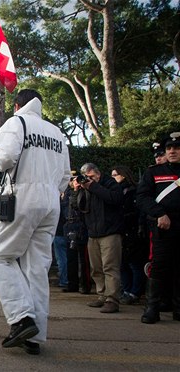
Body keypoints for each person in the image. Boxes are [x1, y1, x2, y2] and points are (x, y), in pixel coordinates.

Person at [0, 89, 71, 355]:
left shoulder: (16, 122)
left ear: (16, 105)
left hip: (22, 196)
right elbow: (66, 176)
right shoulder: (56, 133)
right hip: (51, 202)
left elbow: (6, 158)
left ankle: (22, 318)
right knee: (37, 268)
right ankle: (36, 336)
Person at [137, 132, 180, 324]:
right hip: (163, 227)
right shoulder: (154, 172)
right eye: (169, 148)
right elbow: (143, 197)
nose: (172, 151)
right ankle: (152, 308)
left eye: (177, 148)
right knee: (158, 267)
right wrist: (159, 213)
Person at [73, 163, 124, 314]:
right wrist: (77, 191)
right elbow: (77, 208)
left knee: (110, 267)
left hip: (110, 232)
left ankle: (112, 299)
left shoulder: (109, 184)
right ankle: (102, 295)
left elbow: (114, 198)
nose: (88, 180)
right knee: (96, 268)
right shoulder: (86, 189)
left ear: (98, 174)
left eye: (91, 177)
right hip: (93, 233)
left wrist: (93, 187)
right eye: (86, 178)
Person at [111, 165, 144, 305]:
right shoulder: (117, 191)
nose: (112, 178)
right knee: (122, 263)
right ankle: (126, 290)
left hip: (132, 231)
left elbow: (138, 211)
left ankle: (135, 292)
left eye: (114, 175)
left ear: (123, 175)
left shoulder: (133, 191)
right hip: (121, 230)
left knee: (134, 263)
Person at [63, 177, 91, 294]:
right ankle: (72, 284)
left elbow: (78, 206)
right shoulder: (68, 193)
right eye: (73, 180)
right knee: (71, 258)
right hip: (69, 225)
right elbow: (64, 207)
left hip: (81, 226)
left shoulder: (84, 192)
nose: (75, 182)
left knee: (83, 259)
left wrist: (78, 190)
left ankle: (85, 285)